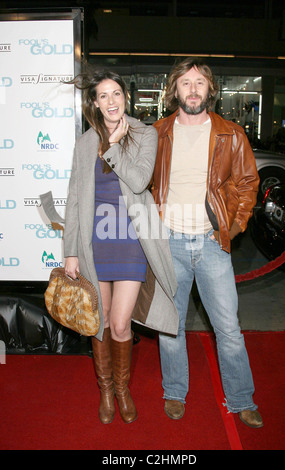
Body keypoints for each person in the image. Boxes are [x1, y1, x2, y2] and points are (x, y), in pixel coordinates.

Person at [152, 57, 263, 428]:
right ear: (175, 90)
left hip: (213, 243)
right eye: (186, 82)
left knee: (228, 328)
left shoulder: (231, 133)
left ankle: (241, 398)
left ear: (210, 89)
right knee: (171, 326)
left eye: (200, 82)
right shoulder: (157, 134)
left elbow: (248, 182)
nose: (194, 89)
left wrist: (234, 226)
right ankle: (174, 391)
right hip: (169, 243)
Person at [63, 69, 178, 424]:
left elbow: (140, 180)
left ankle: (123, 388)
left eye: (117, 94)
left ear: (125, 98)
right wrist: (71, 251)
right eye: (104, 96)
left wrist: (113, 146)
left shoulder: (144, 133)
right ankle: (107, 391)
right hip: (94, 243)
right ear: (95, 103)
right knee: (98, 323)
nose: (111, 101)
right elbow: (74, 198)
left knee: (119, 323)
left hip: (130, 240)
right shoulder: (84, 143)